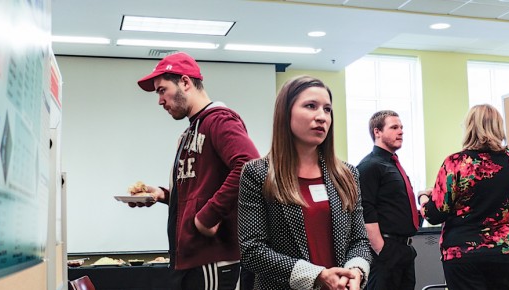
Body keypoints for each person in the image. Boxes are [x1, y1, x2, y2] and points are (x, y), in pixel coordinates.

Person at [128, 52, 260, 290]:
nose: (159, 100)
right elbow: (198, 192)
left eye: (162, 90)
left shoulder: (219, 120)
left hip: (212, 261)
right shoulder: (190, 131)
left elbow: (249, 165)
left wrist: (208, 216)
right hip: (191, 261)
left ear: (185, 82)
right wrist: (163, 195)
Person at [238, 75, 371, 290]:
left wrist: (355, 271)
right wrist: (317, 275)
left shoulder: (347, 174)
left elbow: (359, 241)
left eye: (327, 109)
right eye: (311, 106)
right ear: (286, 112)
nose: (322, 117)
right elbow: (252, 250)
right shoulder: (257, 173)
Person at [419, 104, 509, 290]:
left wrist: (424, 198)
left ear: (469, 127)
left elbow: (435, 214)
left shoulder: (455, 163)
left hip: (463, 251)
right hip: (503, 249)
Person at [357, 110, 419, 290]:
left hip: (404, 250)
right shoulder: (370, 166)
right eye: (394, 127)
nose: (401, 131)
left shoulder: (393, 164)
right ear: (377, 132)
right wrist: (381, 250)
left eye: (401, 127)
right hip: (386, 251)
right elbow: (364, 208)